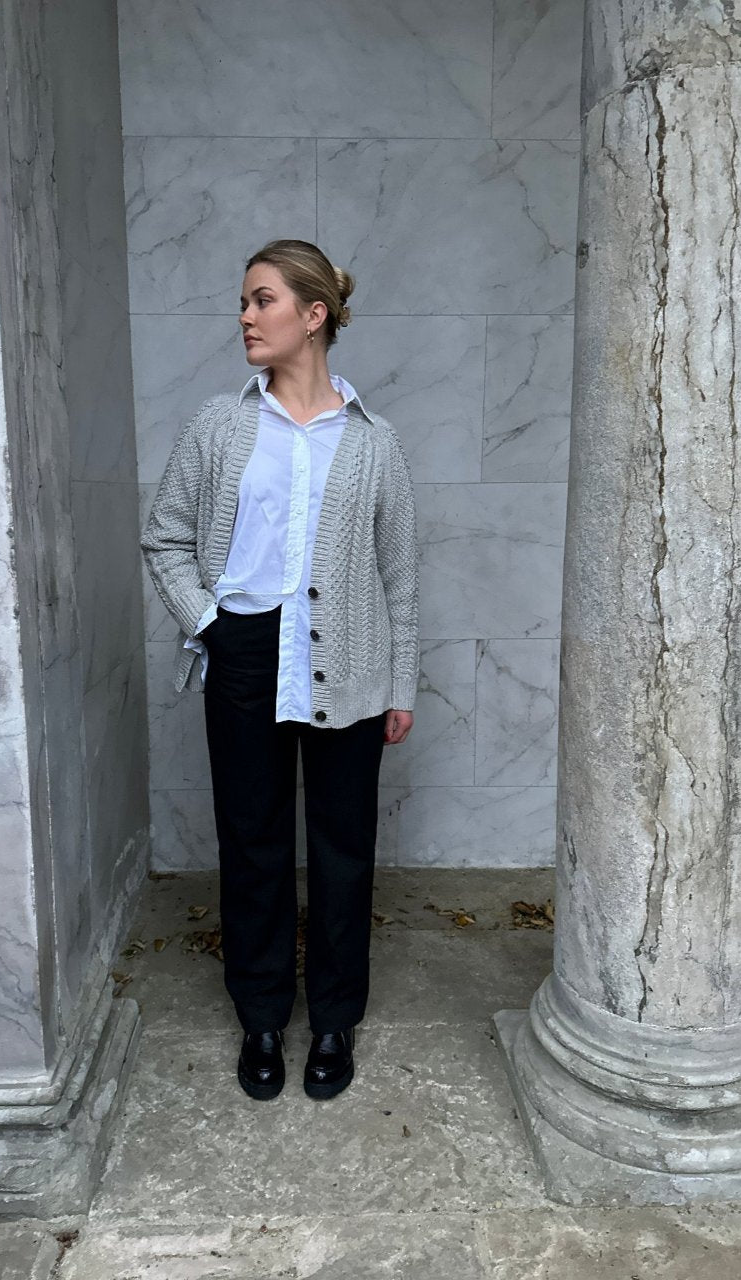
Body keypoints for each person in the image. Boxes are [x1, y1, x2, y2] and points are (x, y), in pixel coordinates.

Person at [141, 238, 419, 1102]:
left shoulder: (374, 442)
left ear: (314, 314)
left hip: (352, 660)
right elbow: (166, 537)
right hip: (246, 651)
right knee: (252, 841)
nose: (245, 317)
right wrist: (211, 625)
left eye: (262, 300)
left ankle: (333, 1020)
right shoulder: (220, 426)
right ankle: (261, 1015)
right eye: (243, 302)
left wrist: (399, 686)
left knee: (342, 849)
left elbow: (399, 574)